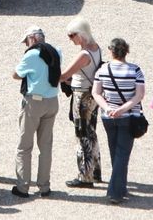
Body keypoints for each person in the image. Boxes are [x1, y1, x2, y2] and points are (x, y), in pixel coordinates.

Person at [91, 38, 145, 205]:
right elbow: (139, 95)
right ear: (126, 51)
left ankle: (120, 188)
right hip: (128, 116)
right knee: (122, 154)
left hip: (108, 117)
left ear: (111, 51)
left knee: (115, 152)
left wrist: (108, 108)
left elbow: (96, 93)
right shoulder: (135, 70)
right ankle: (115, 192)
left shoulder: (102, 70)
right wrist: (122, 109)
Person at [12, 26, 61, 198]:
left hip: (34, 103)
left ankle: (23, 187)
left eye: (26, 41)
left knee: (24, 147)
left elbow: (16, 74)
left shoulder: (32, 55)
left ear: (32, 38)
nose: (26, 45)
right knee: (45, 146)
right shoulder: (56, 51)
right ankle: (44, 187)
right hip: (52, 101)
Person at [60, 17, 103, 188]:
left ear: (81, 34)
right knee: (91, 132)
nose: (70, 39)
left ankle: (85, 175)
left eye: (72, 35)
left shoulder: (84, 54)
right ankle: (95, 171)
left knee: (82, 134)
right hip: (92, 94)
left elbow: (64, 75)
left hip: (82, 96)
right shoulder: (96, 48)